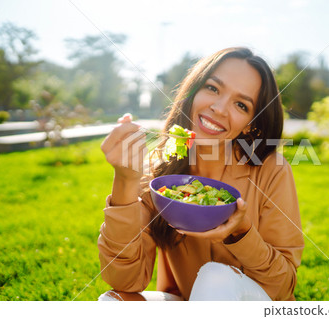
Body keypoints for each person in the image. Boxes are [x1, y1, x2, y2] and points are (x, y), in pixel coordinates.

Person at [97, 47, 304, 301]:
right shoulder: (159, 173)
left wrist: (241, 232)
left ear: (251, 122)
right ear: (193, 93)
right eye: (213, 88)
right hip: (188, 302)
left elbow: (283, 285)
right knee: (112, 302)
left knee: (215, 277)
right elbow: (125, 280)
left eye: (241, 104)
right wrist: (125, 183)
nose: (218, 108)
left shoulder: (272, 170)